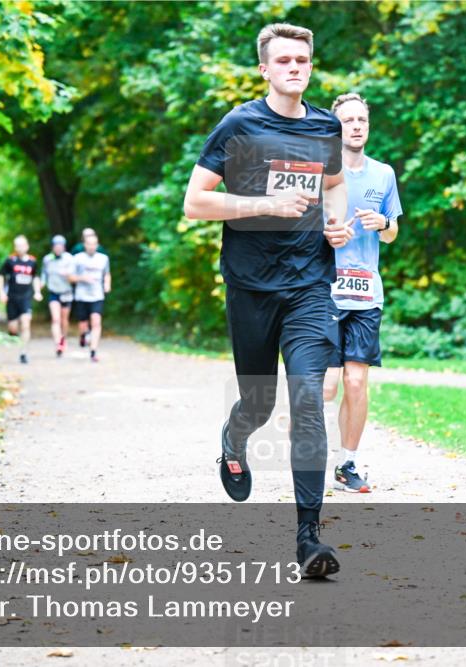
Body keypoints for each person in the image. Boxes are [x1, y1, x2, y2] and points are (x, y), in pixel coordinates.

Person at [182, 23, 352, 578]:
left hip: (308, 285)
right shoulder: (239, 125)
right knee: (259, 403)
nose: (295, 68)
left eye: (302, 59)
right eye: (283, 61)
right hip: (251, 286)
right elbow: (195, 203)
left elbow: (333, 185)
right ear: (265, 69)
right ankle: (235, 438)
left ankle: (310, 538)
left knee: (307, 399)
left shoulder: (326, 125)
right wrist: (262, 204)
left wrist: (336, 223)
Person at [322, 93, 402, 493]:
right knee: (328, 385)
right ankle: (308, 450)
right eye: (348, 120)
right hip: (324, 291)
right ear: (336, 126)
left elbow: (392, 234)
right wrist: (327, 235)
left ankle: (346, 464)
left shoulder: (383, 174)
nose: (356, 126)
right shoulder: (322, 173)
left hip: (367, 293)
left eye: (362, 120)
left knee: (356, 384)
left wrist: (383, 220)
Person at [0, 235, 42, 364]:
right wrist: (1, 293)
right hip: (12, 298)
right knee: (13, 328)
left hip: (26, 297)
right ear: (15, 247)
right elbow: (0, 276)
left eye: (22, 245)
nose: (20, 248)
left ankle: (23, 352)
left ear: (27, 246)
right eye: (17, 245)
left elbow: (36, 277)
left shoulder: (32, 262)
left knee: (26, 323)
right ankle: (14, 334)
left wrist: (37, 292)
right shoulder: (10, 261)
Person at [70, 232, 111, 362]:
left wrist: (107, 284)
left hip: (97, 295)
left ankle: (93, 351)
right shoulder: (77, 258)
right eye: (89, 244)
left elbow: (107, 274)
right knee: (83, 324)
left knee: (96, 321)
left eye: (94, 244)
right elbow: (70, 277)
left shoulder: (103, 258)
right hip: (81, 296)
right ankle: (83, 335)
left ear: (97, 245)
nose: (91, 247)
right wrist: (82, 278)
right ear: (84, 245)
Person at [41, 234, 75, 357]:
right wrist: (40, 285)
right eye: (56, 246)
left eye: (60, 246)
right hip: (53, 292)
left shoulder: (69, 259)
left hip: (66, 292)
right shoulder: (47, 259)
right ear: (53, 247)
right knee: (55, 319)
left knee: (64, 320)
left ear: (64, 247)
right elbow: (44, 274)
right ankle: (57, 343)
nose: (58, 248)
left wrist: (67, 274)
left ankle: (63, 339)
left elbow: (73, 276)